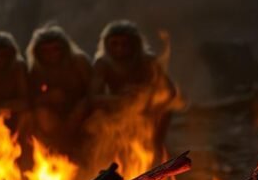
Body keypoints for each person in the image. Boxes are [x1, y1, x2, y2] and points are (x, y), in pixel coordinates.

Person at [90, 20, 179, 163]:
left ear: (135, 44)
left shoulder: (148, 62)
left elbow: (170, 92)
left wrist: (145, 100)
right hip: (117, 111)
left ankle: (156, 151)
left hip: (148, 111)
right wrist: (118, 101)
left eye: (125, 44)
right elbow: (94, 97)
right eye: (115, 44)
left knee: (164, 111)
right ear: (107, 45)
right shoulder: (103, 64)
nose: (120, 48)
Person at [25, 24, 92, 160]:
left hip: (82, 111)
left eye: (55, 50)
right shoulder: (37, 70)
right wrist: (47, 97)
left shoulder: (79, 62)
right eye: (46, 51)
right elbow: (31, 99)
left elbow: (93, 92)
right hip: (54, 117)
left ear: (64, 49)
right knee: (39, 115)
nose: (51, 55)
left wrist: (78, 110)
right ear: (38, 53)